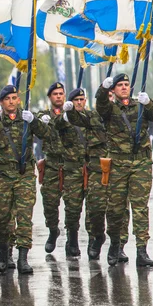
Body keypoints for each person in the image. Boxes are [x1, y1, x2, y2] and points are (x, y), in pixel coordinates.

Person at [0, 85, 49, 274]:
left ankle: (23, 258)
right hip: (1, 175)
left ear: (18, 100)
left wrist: (34, 121)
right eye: (7, 99)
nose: (11, 101)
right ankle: (4, 249)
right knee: (1, 218)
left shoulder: (27, 118)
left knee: (24, 216)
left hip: (24, 174)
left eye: (14, 98)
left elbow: (46, 134)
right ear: (1, 103)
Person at [93, 74, 153, 266]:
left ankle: (142, 250)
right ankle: (116, 244)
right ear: (113, 90)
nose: (124, 87)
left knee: (140, 208)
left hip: (140, 164)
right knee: (116, 209)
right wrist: (102, 89)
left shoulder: (140, 106)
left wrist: (149, 104)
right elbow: (101, 104)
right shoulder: (110, 109)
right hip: (118, 166)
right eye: (119, 85)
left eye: (126, 84)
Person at [58, 89, 105, 259]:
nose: (79, 102)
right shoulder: (64, 119)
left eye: (82, 99)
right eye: (76, 100)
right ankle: (72, 240)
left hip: (92, 168)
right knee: (72, 208)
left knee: (95, 207)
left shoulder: (93, 116)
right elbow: (55, 127)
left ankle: (95, 239)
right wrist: (66, 114)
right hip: (73, 169)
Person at [37, 82, 67, 254]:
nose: (58, 96)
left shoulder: (72, 114)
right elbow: (38, 127)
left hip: (71, 164)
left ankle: (72, 238)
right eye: (55, 93)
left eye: (61, 93)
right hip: (52, 164)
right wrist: (41, 122)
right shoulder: (44, 115)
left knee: (73, 205)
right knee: (49, 203)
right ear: (50, 97)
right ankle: (53, 230)